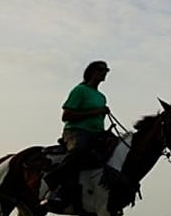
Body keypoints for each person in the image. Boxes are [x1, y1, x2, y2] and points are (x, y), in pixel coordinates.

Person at [43, 60, 116, 208]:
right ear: (92, 72)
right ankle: (54, 185)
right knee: (79, 152)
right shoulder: (79, 90)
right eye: (101, 70)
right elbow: (66, 115)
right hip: (76, 131)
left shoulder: (101, 97)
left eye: (106, 71)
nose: (104, 73)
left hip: (97, 134)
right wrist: (95, 111)